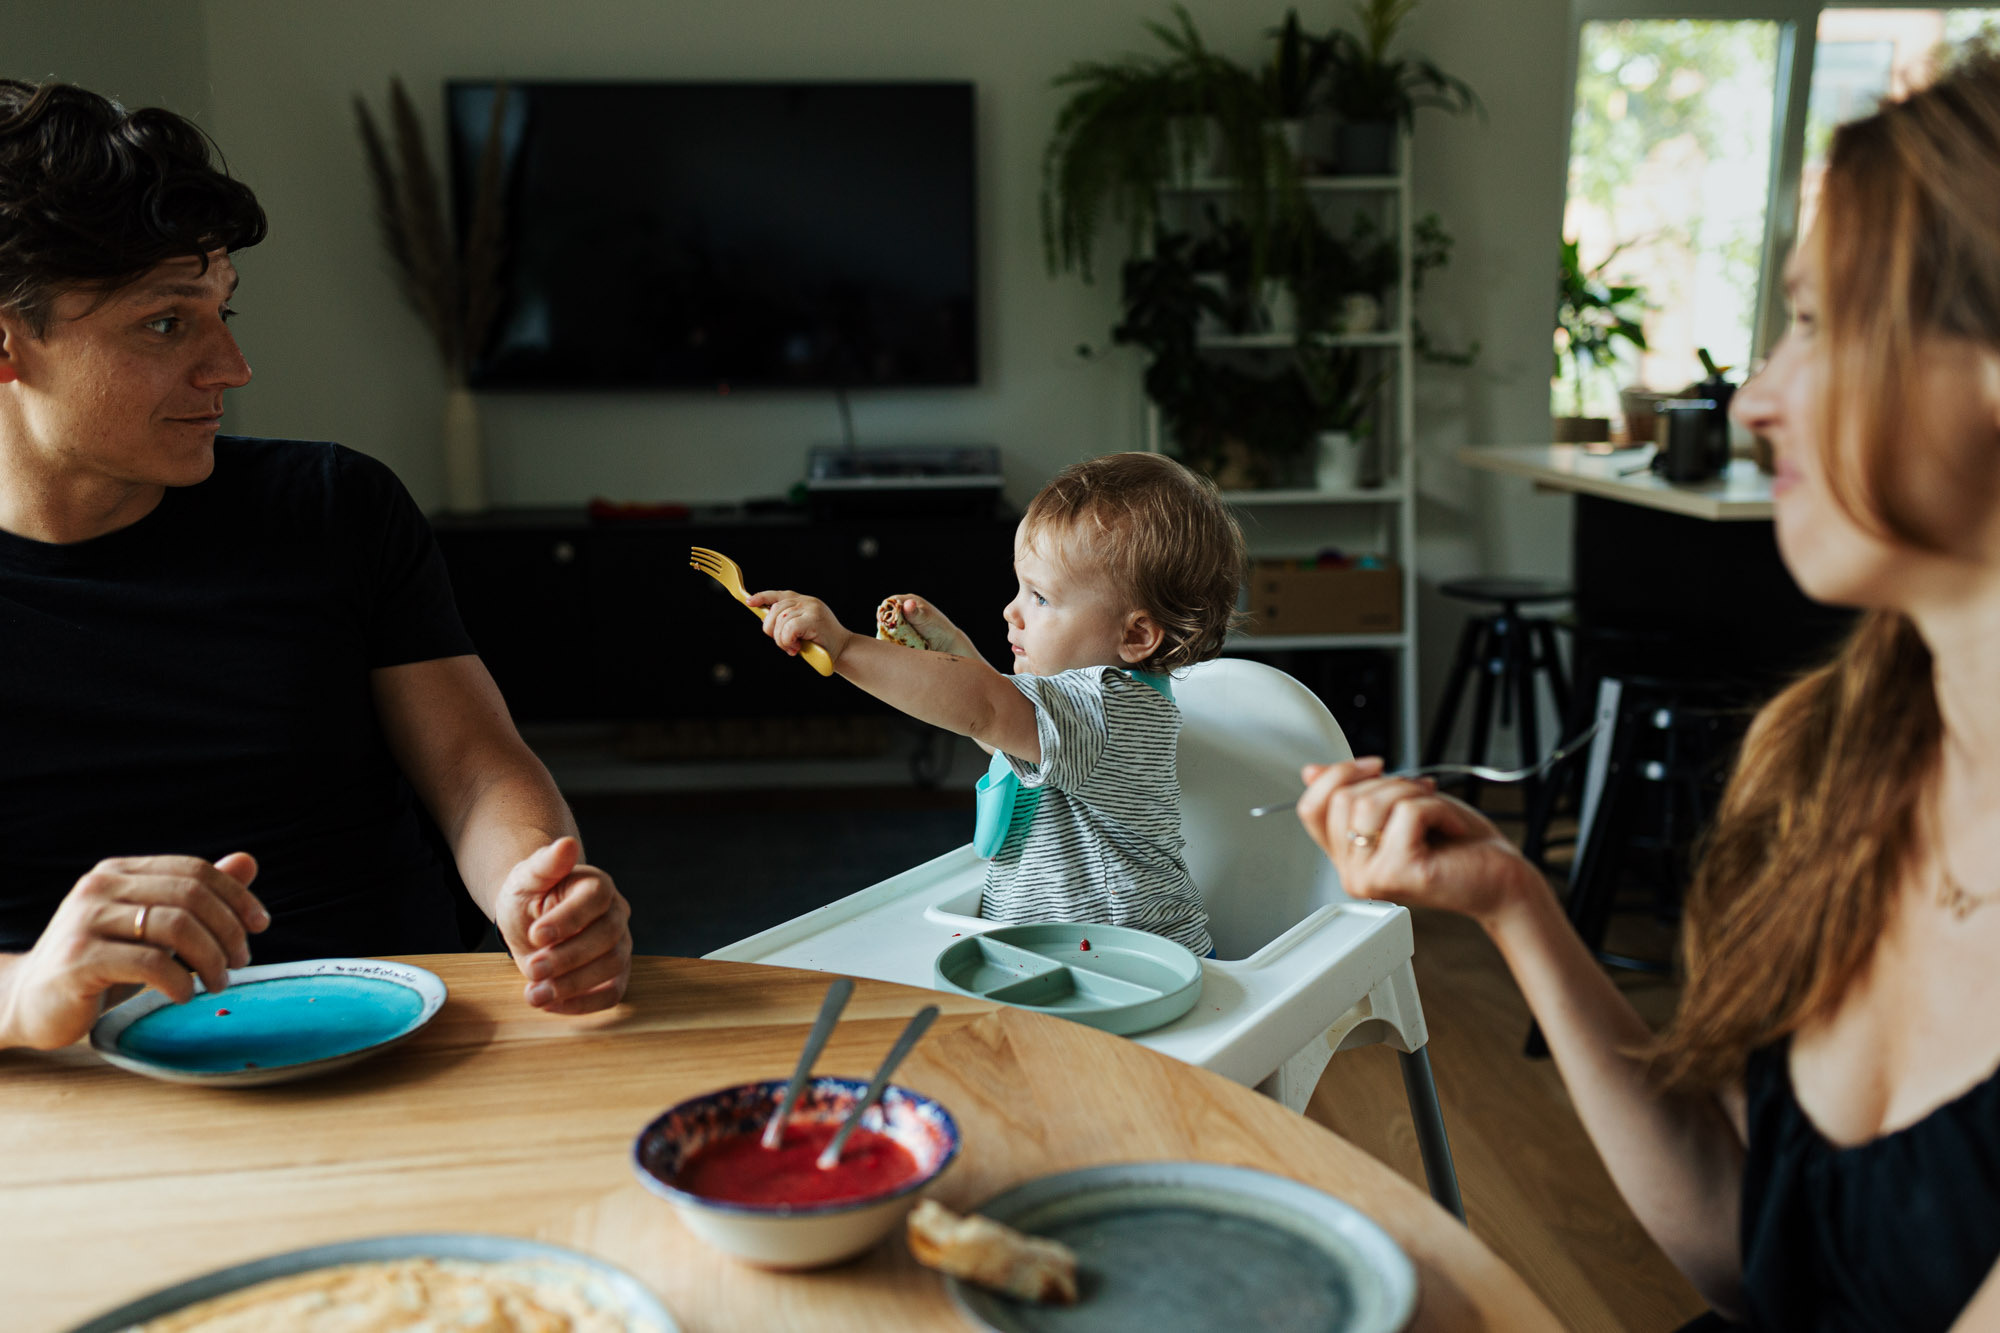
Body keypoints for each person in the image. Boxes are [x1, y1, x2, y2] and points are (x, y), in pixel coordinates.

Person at [1299, 53, 2000, 1332]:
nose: (1759, 399)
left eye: (1816, 323)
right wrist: (1510, 900)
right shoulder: (1828, 762)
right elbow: (1747, 1249)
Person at [0, 81, 631, 1052]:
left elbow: (473, 769)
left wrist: (531, 890)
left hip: (410, 1040)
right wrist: (25, 990)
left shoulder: (337, 506)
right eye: (166, 323)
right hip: (82, 1088)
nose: (231, 366)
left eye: (224, 311)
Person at [749, 452, 1245, 956]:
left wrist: (845, 648)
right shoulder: (1081, 712)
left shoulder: (1109, 709)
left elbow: (986, 707)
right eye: (1019, 588)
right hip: (1068, 957)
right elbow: (1000, 730)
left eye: (1041, 598)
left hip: (1131, 968)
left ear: (1135, 635)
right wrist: (955, 652)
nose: (1011, 610)